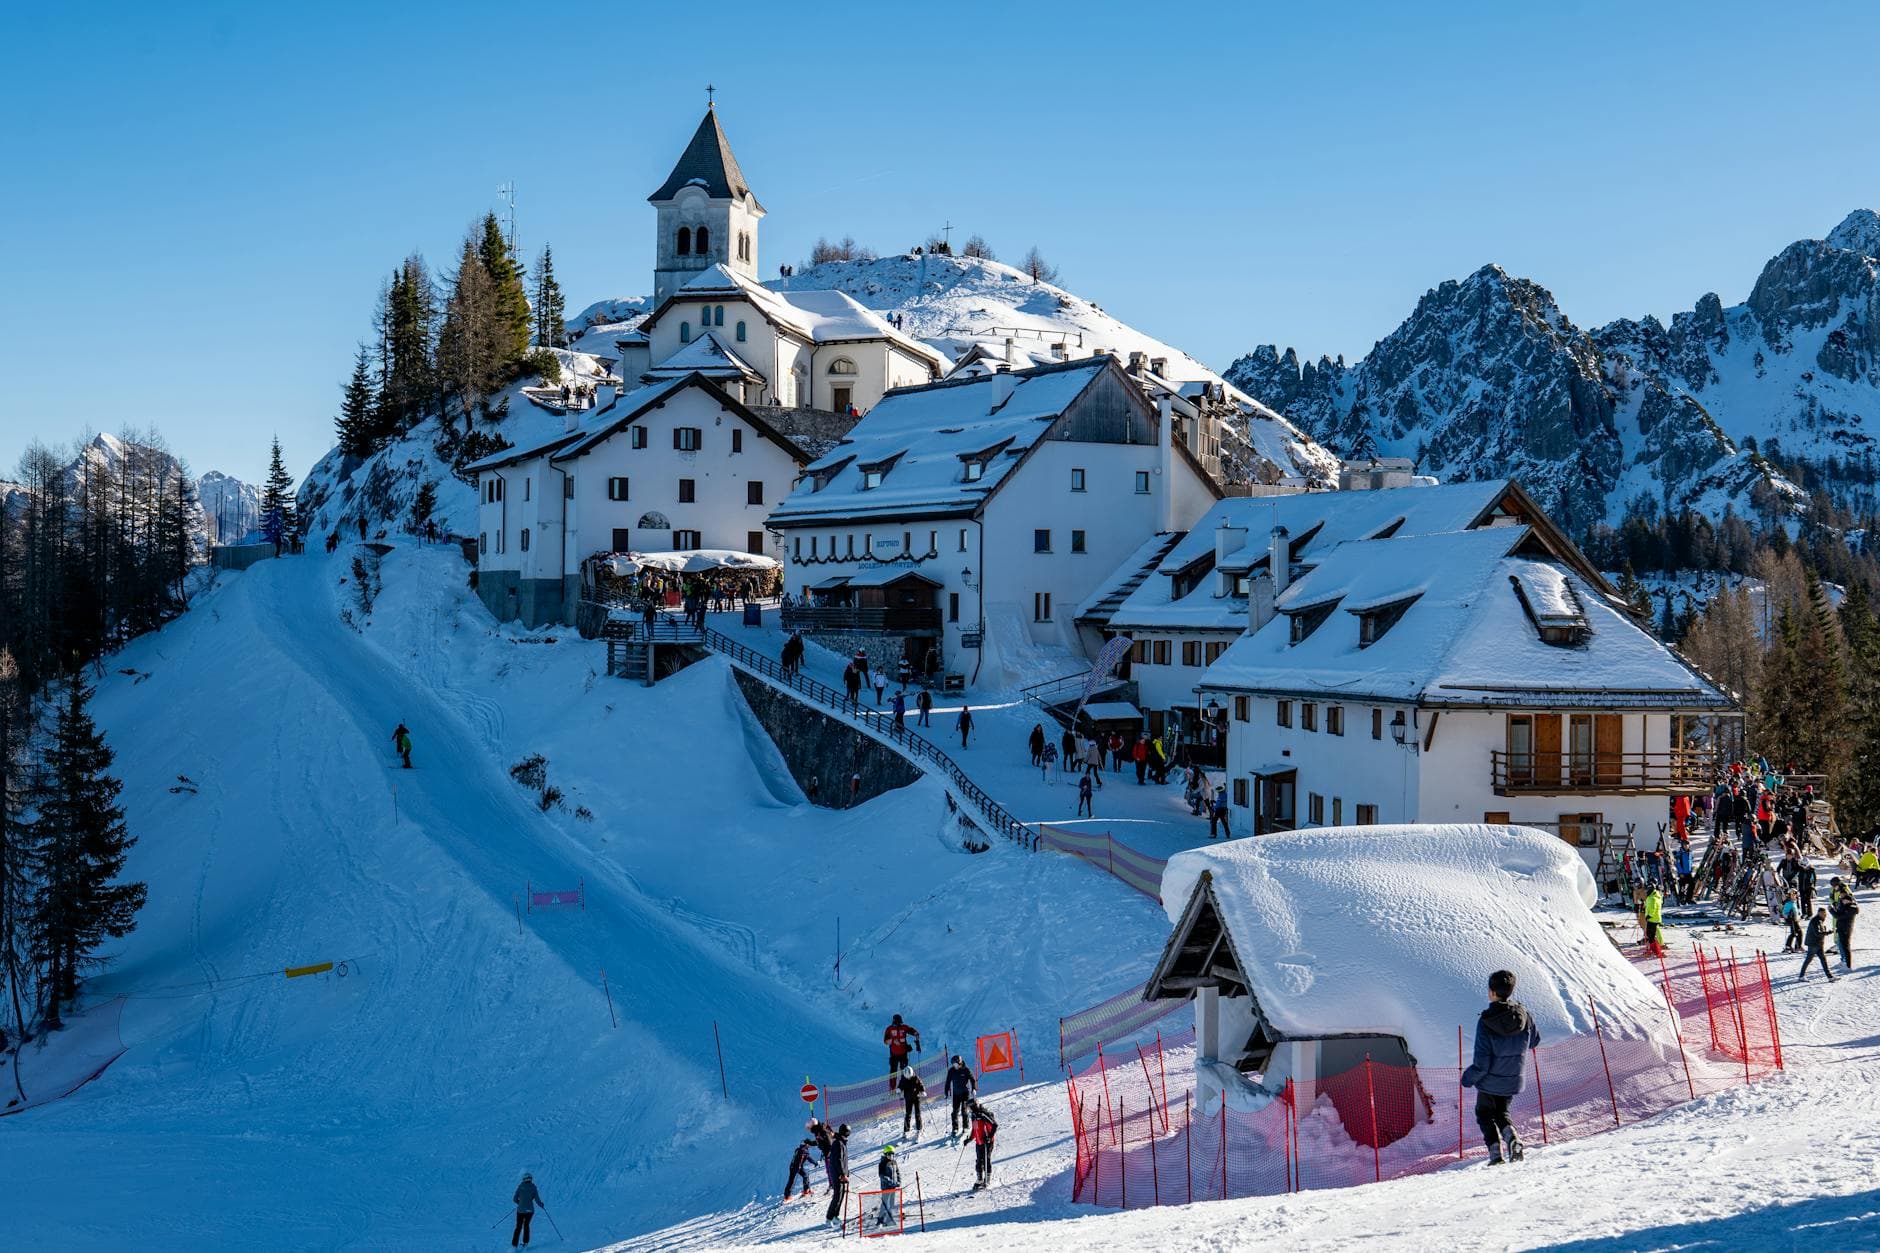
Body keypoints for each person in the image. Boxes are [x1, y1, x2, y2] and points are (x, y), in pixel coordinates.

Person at [1459, 969, 1540, 1165]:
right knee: (1501, 1113)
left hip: (1490, 1080)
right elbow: (1534, 1041)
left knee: (1484, 1113)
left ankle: (1496, 1155)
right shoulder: (1524, 1015)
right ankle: (1512, 1138)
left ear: (1492, 992)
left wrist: (1467, 1078)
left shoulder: (1487, 1021)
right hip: (1513, 1077)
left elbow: (1482, 1062)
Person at [884, 1013, 921, 1093]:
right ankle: (892, 1089)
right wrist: (893, 1041)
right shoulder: (889, 1029)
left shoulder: (904, 1027)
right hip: (893, 1054)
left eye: (900, 1023)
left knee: (905, 1071)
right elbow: (886, 1041)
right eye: (898, 1023)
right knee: (893, 1072)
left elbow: (913, 1031)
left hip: (903, 1053)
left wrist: (916, 1035)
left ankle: (903, 1088)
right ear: (894, 1022)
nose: (899, 1024)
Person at [824, 1123, 852, 1228]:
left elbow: (843, 1161)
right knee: (837, 1196)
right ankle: (829, 1218)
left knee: (841, 1195)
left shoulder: (841, 1142)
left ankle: (835, 1216)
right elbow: (838, 1160)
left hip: (841, 1174)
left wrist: (846, 1173)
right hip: (837, 1175)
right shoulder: (838, 1143)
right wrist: (841, 1174)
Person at [943, 1054, 977, 1138]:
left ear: (960, 1063)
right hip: (956, 1094)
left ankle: (965, 1127)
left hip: (965, 1093)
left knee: (964, 1111)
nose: (954, 1066)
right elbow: (948, 1082)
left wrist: (973, 1088)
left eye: (956, 1064)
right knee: (955, 1111)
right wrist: (946, 1092)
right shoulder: (951, 1071)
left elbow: (972, 1079)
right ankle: (955, 1128)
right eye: (953, 1064)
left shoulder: (966, 1070)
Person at [1829, 878, 1859, 969]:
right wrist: (1834, 904)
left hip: (1844, 919)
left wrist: (1836, 908)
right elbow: (1831, 898)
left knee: (1843, 942)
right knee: (1839, 939)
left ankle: (1845, 960)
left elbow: (1851, 901)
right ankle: (1842, 958)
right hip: (1838, 915)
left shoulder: (1845, 890)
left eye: (1835, 886)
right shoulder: (1834, 889)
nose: (1834, 888)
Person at [969, 1099, 999, 1190]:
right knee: (978, 1161)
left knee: (986, 1160)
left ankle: (987, 1180)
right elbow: (975, 1129)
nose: (969, 1109)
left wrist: (989, 1137)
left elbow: (994, 1125)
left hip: (987, 1142)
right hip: (979, 1142)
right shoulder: (973, 1116)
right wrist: (969, 1139)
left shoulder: (983, 1114)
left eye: (970, 1107)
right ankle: (980, 1180)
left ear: (974, 1106)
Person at [1800, 907, 1836, 981]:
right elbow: (1817, 933)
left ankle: (1830, 977)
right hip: (1813, 943)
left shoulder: (1819, 920)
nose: (1824, 915)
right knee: (1808, 959)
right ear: (1819, 913)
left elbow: (1820, 932)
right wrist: (1828, 932)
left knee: (1823, 960)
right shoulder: (1815, 921)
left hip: (1818, 943)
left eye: (1825, 913)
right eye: (1823, 913)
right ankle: (1801, 976)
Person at [873, 1144, 901, 1230]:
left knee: (891, 1204)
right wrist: (890, 1182)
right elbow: (882, 1175)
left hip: (893, 1187)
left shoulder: (894, 1162)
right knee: (885, 1204)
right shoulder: (882, 1163)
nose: (891, 1156)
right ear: (885, 1154)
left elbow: (897, 1172)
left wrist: (899, 1181)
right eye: (889, 1154)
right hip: (886, 1187)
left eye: (892, 1154)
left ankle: (888, 1220)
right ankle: (880, 1221)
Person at [511, 1172, 542, 1248]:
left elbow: (514, 1199)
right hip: (530, 1211)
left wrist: (520, 1203)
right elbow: (537, 1200)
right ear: (531, 1179)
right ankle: (526, 1243)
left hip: (520, 1210)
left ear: (523, 1179)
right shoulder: (533, 1187)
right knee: (526, 1226)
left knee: (518, 1227)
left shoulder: (520, 1187)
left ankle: (514, 1245)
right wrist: (541, 1205)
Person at [785, 1135, 821, 1199]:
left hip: (793, 1166)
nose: (809, 1146)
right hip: (797, 1167)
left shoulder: (798, 1149)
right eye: (808, 1145)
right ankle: (806, 1191)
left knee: (792, 1180)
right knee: (802, 1177)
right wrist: (816, 1163)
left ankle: (787, 1195)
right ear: (806, 1145)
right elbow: (809, 1159)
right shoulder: (804, 1151)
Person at [898, 1063, 926, 1139]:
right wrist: (899, 1089)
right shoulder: (903, 1079)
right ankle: (906, 1131)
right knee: (908, 1114)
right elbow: (901, 1085)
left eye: (909, 1077)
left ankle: (919, 1130)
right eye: (907, 1077)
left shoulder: (916, 1078)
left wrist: (923, 1091)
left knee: (917, 1114)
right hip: (908, 1099)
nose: (908, 1078)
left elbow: (921, 1085)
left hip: (916, 1098)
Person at [1642, 884, 1664, 956]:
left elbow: (1652, 909)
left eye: (1647, 890)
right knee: (1651, 935)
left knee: (1650, 935)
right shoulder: (1656, 896)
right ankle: (1654, 950)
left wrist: (1648, 916)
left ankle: (1657, 951)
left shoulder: (1652, 898)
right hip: (1655, 918)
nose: (1646, 891)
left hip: (1652, 919)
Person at [1675, 838, 1695, 905]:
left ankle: (1689, 899)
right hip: (1682, 873)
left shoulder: (1690, 852)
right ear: (1682, 845)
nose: (1686, 846)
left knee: (1692, 884)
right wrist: (1680, 872)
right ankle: (1681, 898)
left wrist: (1692, 868)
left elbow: (1691, 861)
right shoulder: (1680, 853)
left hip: (1688, 872)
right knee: (1682, 886)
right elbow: (1677, 863)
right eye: (1684, 845)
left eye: (1687, 845)